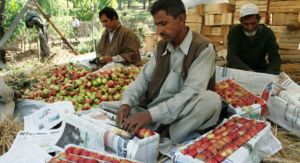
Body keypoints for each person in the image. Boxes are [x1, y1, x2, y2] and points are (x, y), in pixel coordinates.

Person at [102, 0, 221, 143]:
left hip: (182, 113)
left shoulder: (203, 48)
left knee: (211, 101)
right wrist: (126, 104)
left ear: (181, 19)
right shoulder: (161, 47)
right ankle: (152, 128)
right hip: (154, 109)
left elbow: (191, 93)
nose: (158, 31)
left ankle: (167, 136)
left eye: (163, 24)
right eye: (156, 25)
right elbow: (143, 79)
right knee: (106, 106)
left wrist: (150, 116)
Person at [226, 3, 281, 75]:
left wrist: (271, 74)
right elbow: (231, 56)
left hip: (259, 69)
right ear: (240, 22)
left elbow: (275, 57)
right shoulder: (234, 32)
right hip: (238, 69)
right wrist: (248, 71)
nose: (250, 28)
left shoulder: (267, 33)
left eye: (253, 23)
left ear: (259, 20)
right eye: (246, 24)